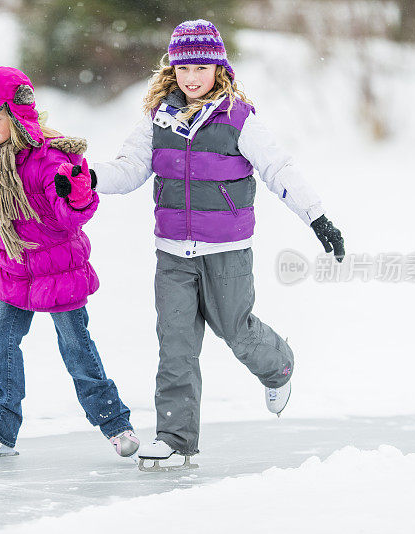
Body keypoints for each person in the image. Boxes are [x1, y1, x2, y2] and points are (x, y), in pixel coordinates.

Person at [91, 20, 345, 467]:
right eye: (184, 67)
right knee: (175, 346)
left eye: (201, 67)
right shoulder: (159, 119)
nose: (192, 77)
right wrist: (88, 177)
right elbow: (129, 168)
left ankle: (278, 366)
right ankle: (174, 437)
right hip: (172, 254)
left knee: (236, 330)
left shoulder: (238, 118)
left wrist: (317, 218)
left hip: (226, 253)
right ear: (172, 69)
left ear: (219, 68)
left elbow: (279, 170)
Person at [0, 66, 139, 458]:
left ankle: (116, 424)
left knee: (76, 348)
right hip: (14, 273)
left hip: (60, 272)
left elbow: (68, 216)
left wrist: (78, 196)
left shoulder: (48, 160)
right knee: (3, 344)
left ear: (16, 116)